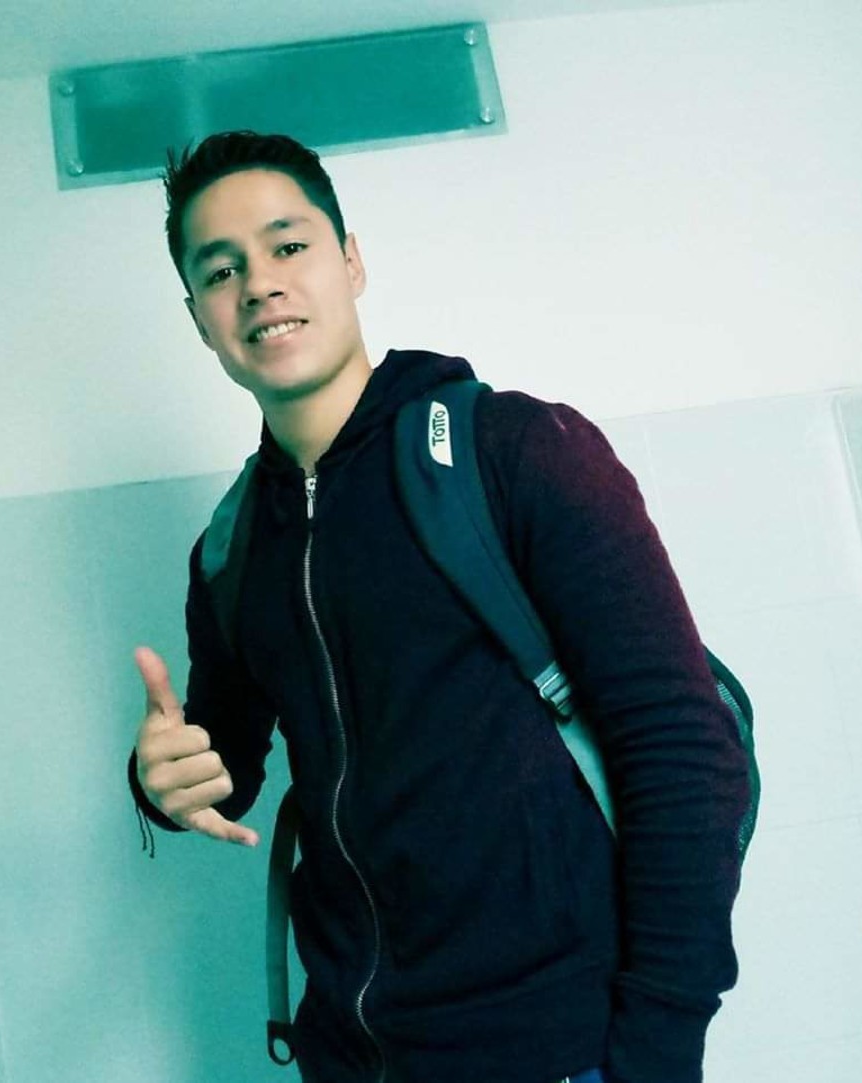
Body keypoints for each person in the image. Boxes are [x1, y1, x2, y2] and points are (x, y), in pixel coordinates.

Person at [128, 131, 750, 1083]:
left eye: (288, 245)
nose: (260, 284)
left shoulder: (513, 450)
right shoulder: (230, 549)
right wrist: (163, 783)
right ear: (200, 320)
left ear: (351, 261)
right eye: (222, 270)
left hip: (560, 1052)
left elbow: (681, 748)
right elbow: (228, 766)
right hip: (354, 1058)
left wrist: (658, 1047)